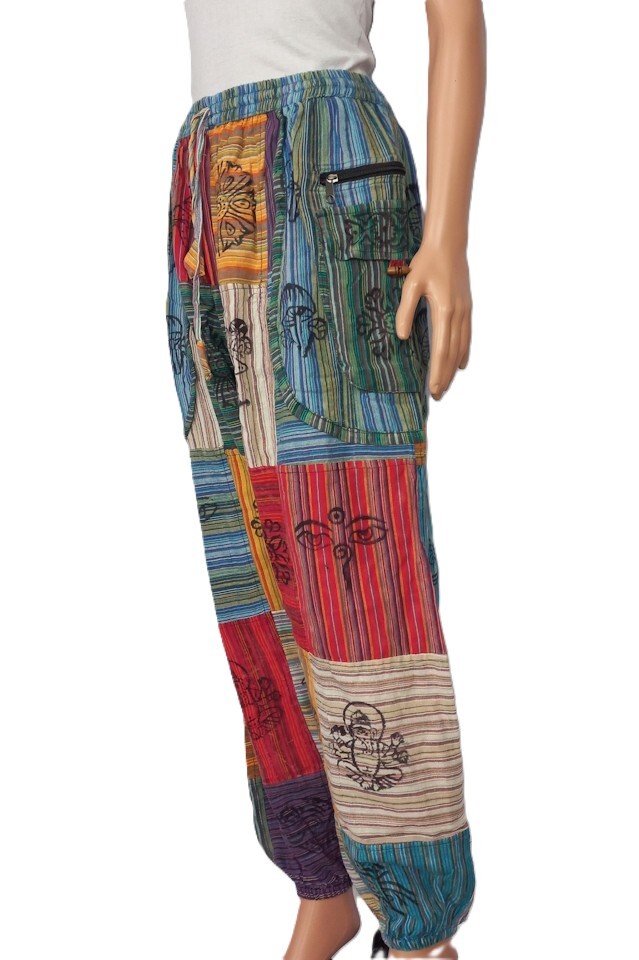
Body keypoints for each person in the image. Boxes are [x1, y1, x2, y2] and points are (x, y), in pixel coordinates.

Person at [165, 1, 486, 957]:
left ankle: (420, 931)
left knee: (356, 565)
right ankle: (325, 884)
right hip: (208, 170)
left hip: (323, 165)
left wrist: (447, 239)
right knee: (250, 557)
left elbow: (456, 17)